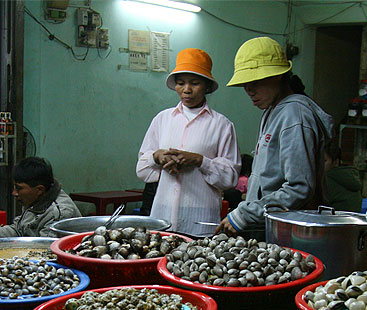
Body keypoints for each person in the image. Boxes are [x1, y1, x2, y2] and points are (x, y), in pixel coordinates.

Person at [216, 37, 335, 236]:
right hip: (271, 228)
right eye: (245, 84)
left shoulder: (294, 114)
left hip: (293, 233)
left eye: (255, 82)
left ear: (278, 76)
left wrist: (245, 214)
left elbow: (299, 188)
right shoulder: (273, 111)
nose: (249, 90)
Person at [136, 48, 241, 237]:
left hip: (200, 223)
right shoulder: (162, 119)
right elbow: (142, 170)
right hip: (163, 219)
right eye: (181, 83)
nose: (186, 90)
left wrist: (200, 161)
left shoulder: (222, 125)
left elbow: (230, 177)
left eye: (194, 83)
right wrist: (157, 157)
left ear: (207, 86)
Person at [0, 156, 81, 240]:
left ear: (39, 190)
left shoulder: (59, 213)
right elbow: (19, 230)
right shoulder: (35, 201)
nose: (14, 193)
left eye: (19, 188)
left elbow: (43, 251)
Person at [324, 141, 363, 212]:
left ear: (335, 162)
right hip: (353, 221)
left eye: (324, 161)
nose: (319, 164)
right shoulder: (349, 175)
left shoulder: (329, 179)